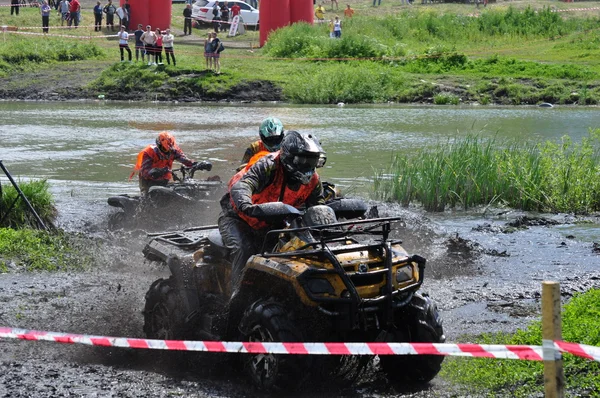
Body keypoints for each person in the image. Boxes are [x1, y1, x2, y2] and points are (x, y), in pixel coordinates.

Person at [218, 131, 325, 289]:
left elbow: (317, 206)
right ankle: (238, 294)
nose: (308, 165)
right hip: (238, 217)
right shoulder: (268, 166)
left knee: (301, 247)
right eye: (303, 159)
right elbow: (244, 184)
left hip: (273, 221)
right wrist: (246, 205)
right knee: (243, 248)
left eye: (312, 160)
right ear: (289, 157)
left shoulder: (313, 180)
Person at [133, 132, 211, 194]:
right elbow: (144, 172)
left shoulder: (174, 151)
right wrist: (156, 171)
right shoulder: (149, 152)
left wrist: (199, 164)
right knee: (149, 198)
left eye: (169, 149)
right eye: (164, 149)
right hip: (148, 182)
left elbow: (186, 162)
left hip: (164, 180)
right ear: (159, 145)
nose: (167, 152)